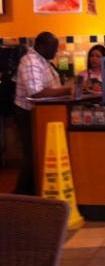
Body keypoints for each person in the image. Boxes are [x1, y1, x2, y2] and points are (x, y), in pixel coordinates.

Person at [13, 32, 72, 195]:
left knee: (36, 152)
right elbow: (36, 93)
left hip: (40, 114)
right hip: (28, 114)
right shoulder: (31, 62)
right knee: (32, 153)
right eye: (53, 48)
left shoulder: (43, 61)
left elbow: (51, 87)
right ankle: (21, 195)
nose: (55, 51)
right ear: (41, 46)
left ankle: (31, 192)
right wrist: (67, 90)